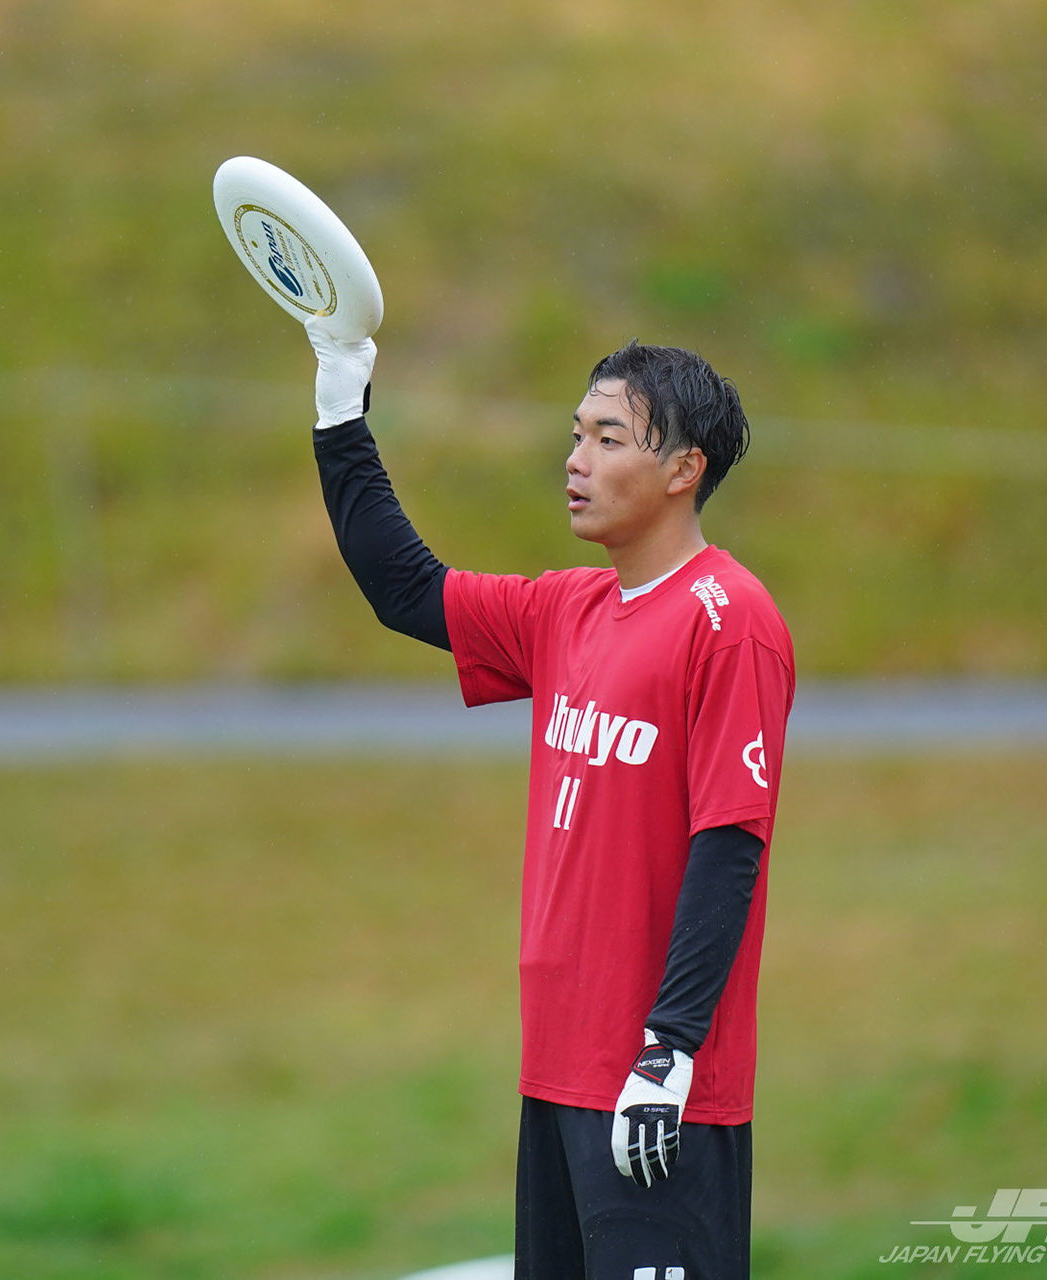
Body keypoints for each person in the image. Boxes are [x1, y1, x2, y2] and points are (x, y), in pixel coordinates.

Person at [305, 320, 794, 1280]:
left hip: (660, 1090)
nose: (575, 460)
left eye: (608, 439)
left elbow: (731, 844)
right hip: (559, 1075)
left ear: (684, 469)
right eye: (577, 435)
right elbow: (402, 587)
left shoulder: (731, 622)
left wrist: (668, 1050)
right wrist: (339, 401)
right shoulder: (564, 609)